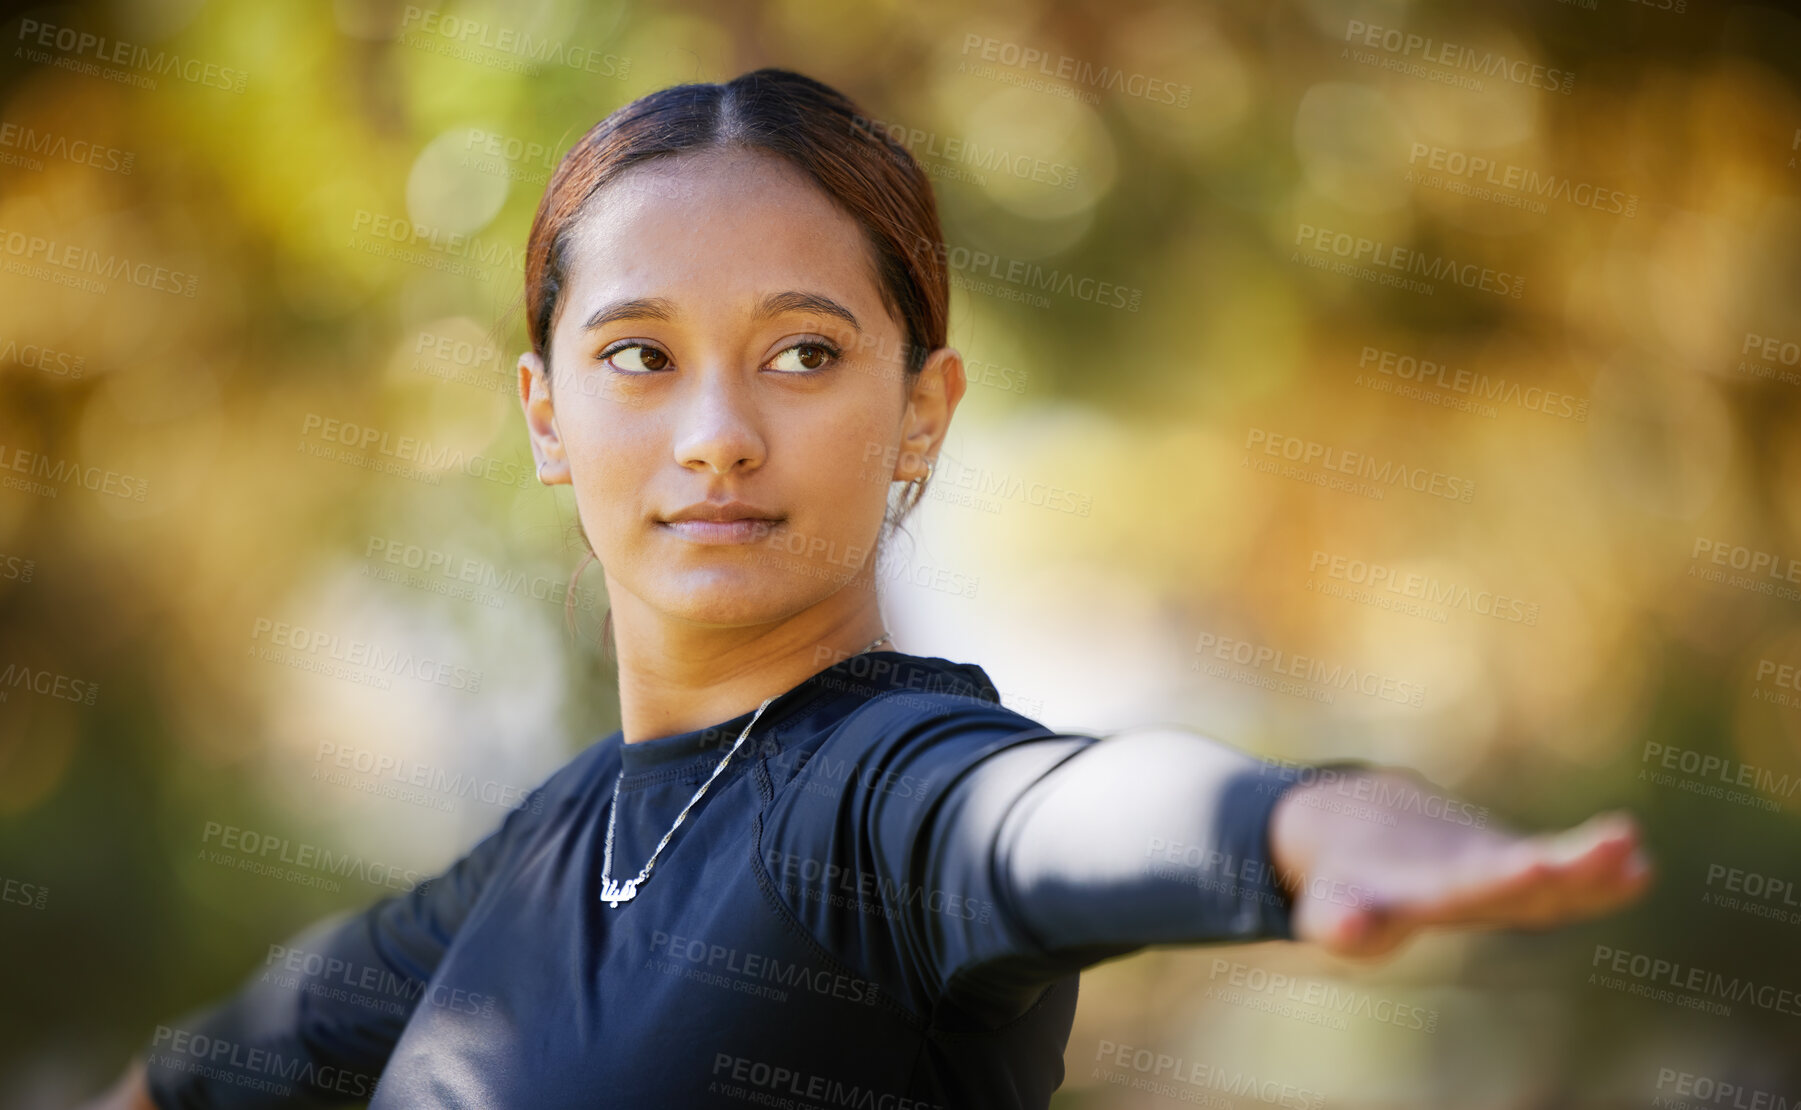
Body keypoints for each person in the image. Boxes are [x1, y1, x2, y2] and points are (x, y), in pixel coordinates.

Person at [82, 68, 1651, 1110]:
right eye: (639, 356)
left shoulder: (880, 795)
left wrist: (1301, 824)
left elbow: (1052, 817)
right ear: (546, 413)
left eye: (803, 354)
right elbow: (215, 1066)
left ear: (922, 409)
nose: (716, 436)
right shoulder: (546, 847)